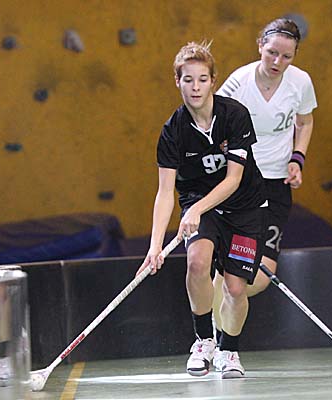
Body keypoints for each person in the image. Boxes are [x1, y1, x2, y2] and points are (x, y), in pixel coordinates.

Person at [137, 41, 266, 379]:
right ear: (177, 81)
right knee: (196, 262)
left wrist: (196, 210)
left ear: (213, 81)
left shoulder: (235, 115)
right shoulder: (172, 132)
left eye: (202, 79)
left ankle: (229, 351)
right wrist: (154, 246)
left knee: (235, 288)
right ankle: (204, 341)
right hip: (200, 203)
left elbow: (234, 179)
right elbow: (165, 192)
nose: (195, 87)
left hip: (245, 207)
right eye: (188, 79)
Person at [213, 18, 317, 366]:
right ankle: (219, 345)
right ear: (260, 45)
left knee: (257, 276)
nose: (277, 62)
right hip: (239, 184)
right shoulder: (238, 83)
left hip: (276, 186)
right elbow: (212, 123)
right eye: (272, 52)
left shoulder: (300, 82)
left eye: (287, 56)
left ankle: (219, 320)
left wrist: (297, 158)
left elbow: (305, 121)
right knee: (232, 277)